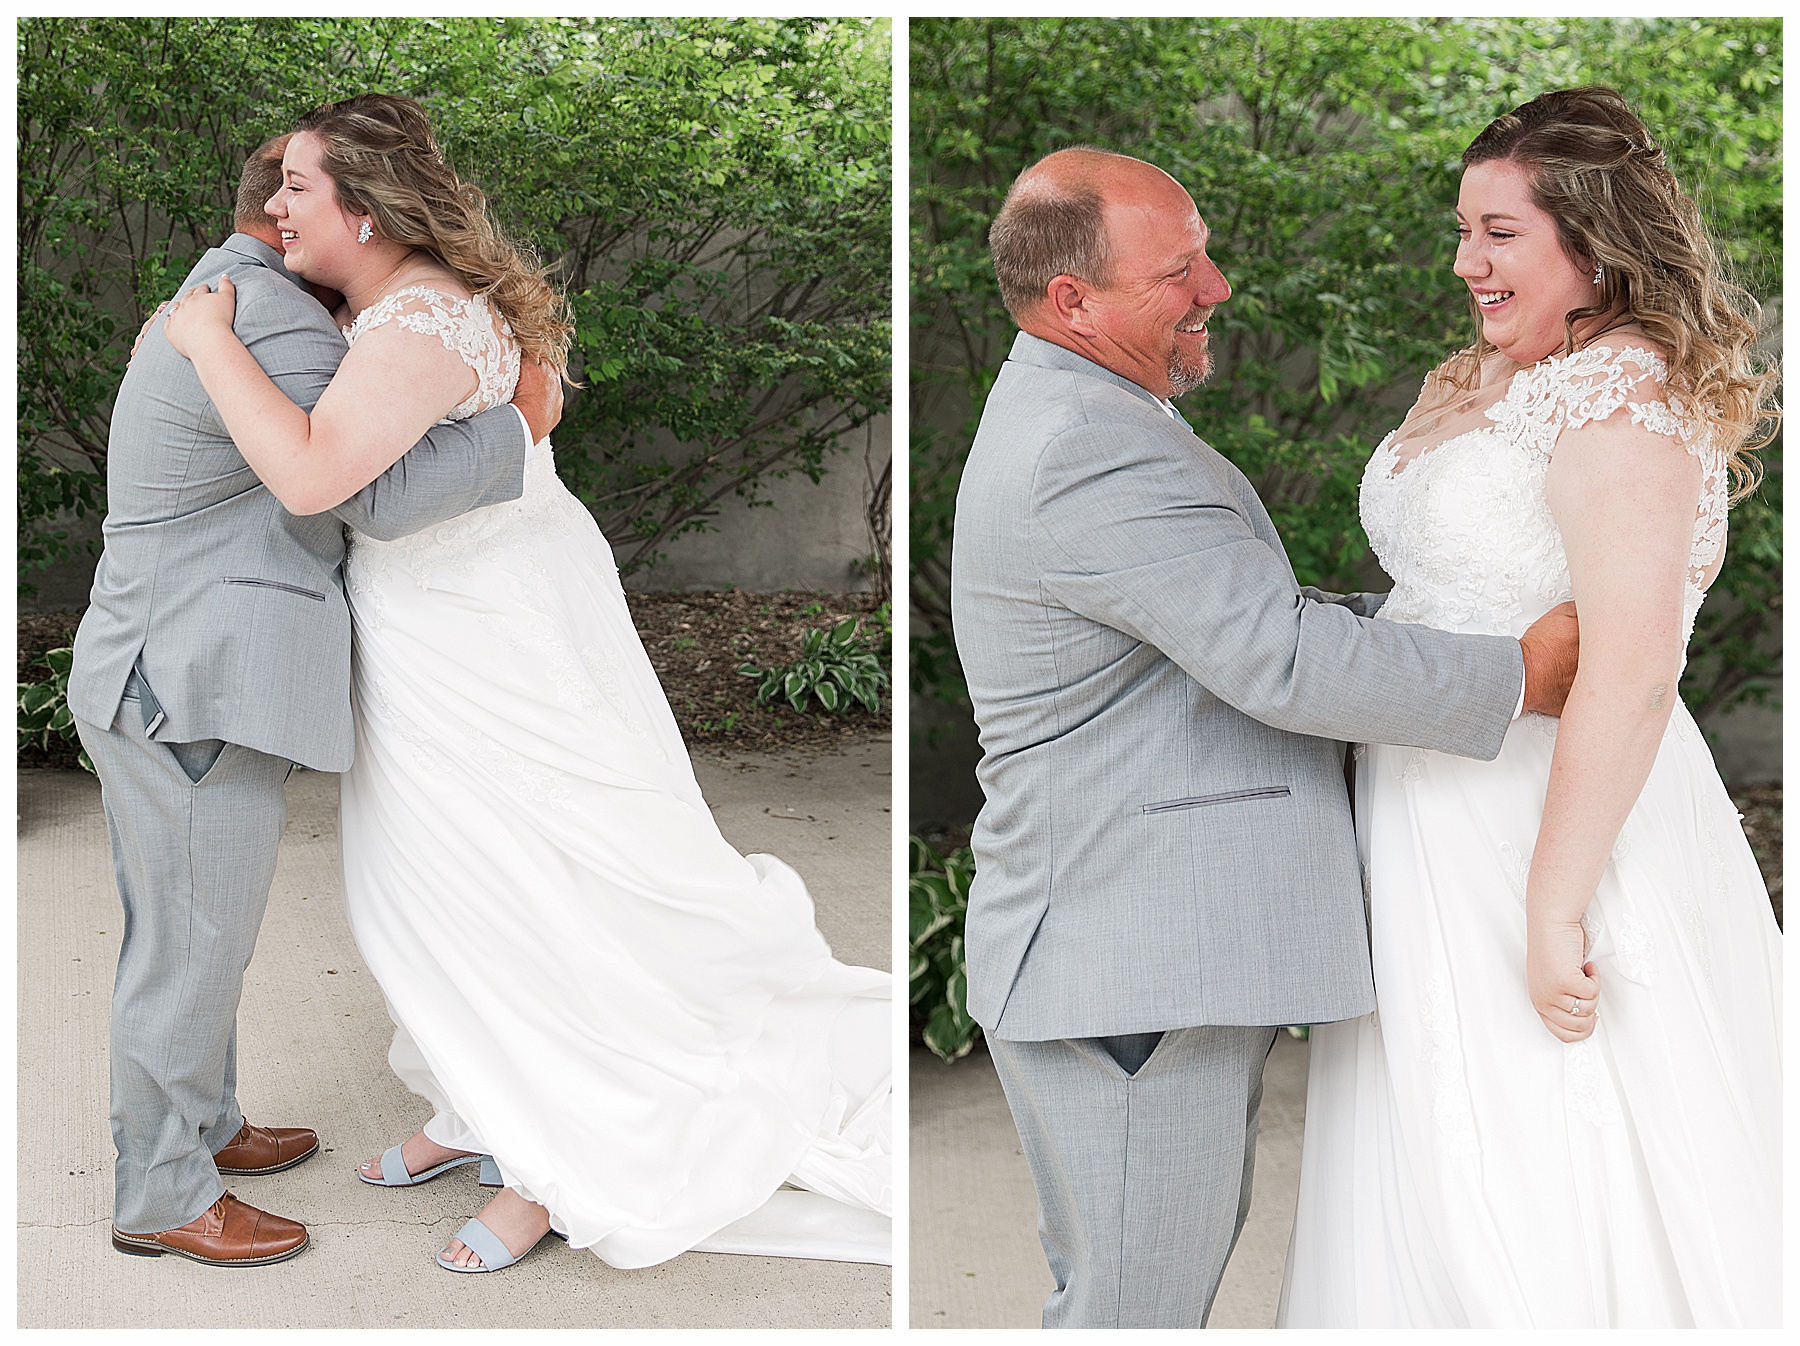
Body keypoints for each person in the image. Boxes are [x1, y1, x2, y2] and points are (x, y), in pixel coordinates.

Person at [162, 93, 891, 1274]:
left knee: (519, 884)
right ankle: (479, 1106)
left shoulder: (414, 321)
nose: (273, 205)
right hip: (439, 626)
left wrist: (206, 342)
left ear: (367, 201)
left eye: (298, 184)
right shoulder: (393, 302)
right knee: (441, 885)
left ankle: (552, 1165)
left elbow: (310, 479)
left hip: (486, 641)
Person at [949, 146, 1580, 1328]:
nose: (1218, 288)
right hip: (1129, 953)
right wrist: (1522, 674)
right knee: (1133, 1307)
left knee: (1124, 1290)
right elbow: (1274, 658)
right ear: (1071, 299)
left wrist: (1417, 622)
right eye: (1179, 270)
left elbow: (1229, 626)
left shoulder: (1077, 405)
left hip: (1129, 941)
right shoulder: (1085, 444)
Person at [1278, 86, 1782, 1329]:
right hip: (1429, 806)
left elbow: (1632, 664)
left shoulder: (1620, 398)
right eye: (1462, 230)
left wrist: (1553, 904)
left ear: (1594, 238)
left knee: (1552, 1136)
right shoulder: (1508, 372)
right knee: (1438, 1136)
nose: (1467, 263)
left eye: (1500, 233)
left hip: (1550, 819)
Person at [69, 136, 560, 1268]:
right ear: (283, 217)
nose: (298, 213)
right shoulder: (272, 320)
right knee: (186, 944)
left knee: (196, 928)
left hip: (166, 660)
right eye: (290, 192)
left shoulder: (217, 297)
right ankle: (162, 1190)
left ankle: (206, 1127)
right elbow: (366, 491)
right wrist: (515, 427)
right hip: (189, 678)